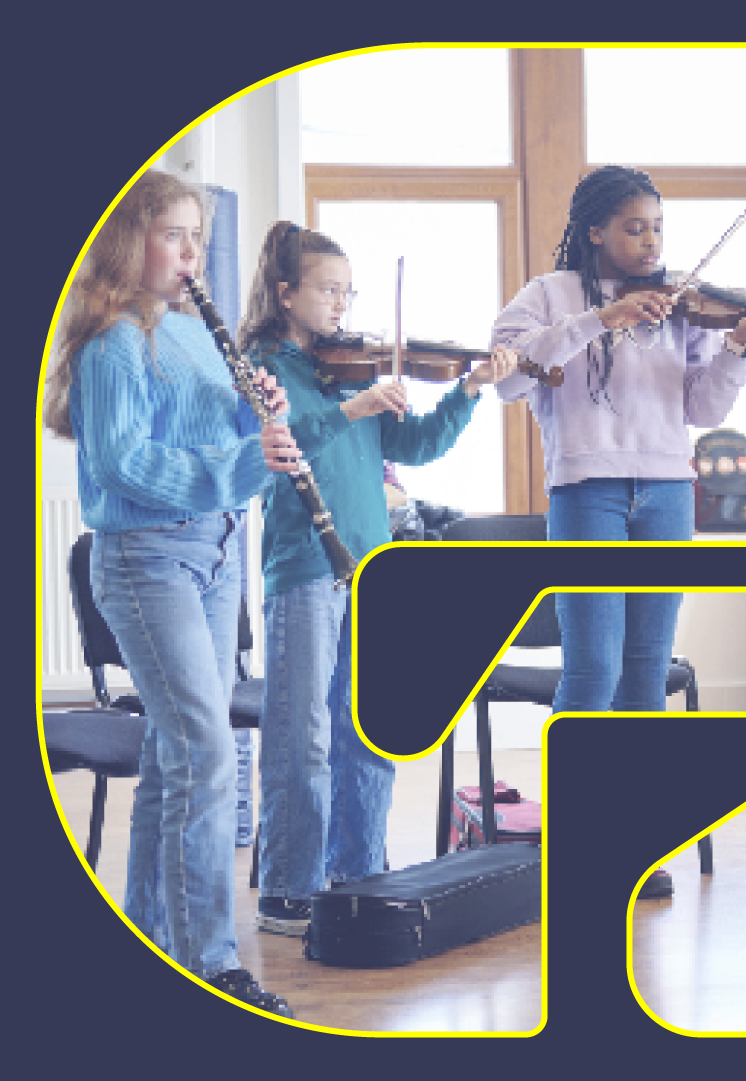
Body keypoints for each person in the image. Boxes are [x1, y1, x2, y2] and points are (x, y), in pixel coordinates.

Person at [492, 165, 746, 898]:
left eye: (657, 227)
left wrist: (739, 346)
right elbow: (508, 379)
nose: (650, 241)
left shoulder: (684, 303)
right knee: (591, 670)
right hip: (586, 489)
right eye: (634, 227)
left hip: (666, 489)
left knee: (644, 672)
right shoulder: (547, 295)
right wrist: (602, 319)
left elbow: (700, 409)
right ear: (594, 229)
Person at [43, 169, 298, 1014]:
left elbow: (218, 429)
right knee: (204, 751)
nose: (191, 252)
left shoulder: (193, 332)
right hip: (147, 557)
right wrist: (241, 460)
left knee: (170, 753)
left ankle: (152, 941)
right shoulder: (114, 341)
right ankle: (213, 964)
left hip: (218, 549)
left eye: (197, 236)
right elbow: (124, 465)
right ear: (128, 240)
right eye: (172, 234)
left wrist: (260, 410)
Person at [240, 222, 517, 934]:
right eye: (327, 289)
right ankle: (288, 888)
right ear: (284, 292)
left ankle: (358, 871)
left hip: (373, 568)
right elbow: (290, 441)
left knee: (368, 729)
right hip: (305, 566)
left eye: (348, 291)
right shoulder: (266, 366)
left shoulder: (346, 369)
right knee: (303, 734)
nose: (341, 303)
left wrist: (467, 390)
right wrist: (354, 406)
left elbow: (417, 444)